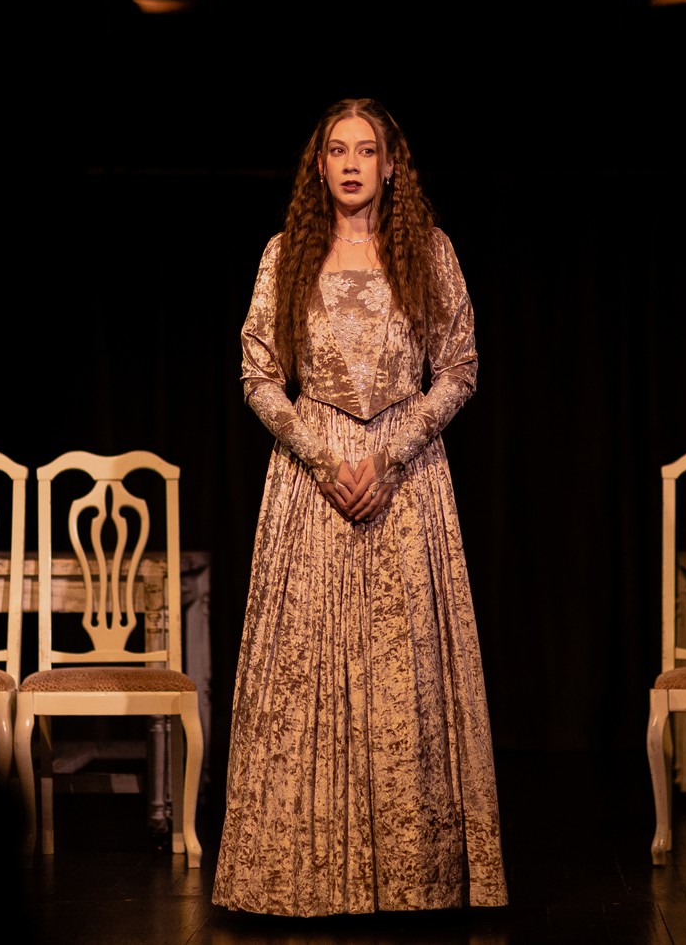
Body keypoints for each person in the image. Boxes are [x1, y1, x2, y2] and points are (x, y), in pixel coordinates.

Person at [213, 99, 506, 916]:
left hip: (405, 485)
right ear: (319, 167)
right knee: (305, 679)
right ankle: (301, 879)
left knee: (405, 679)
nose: (351, 163)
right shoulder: (286, 255)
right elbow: (258, 373)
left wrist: (389, 452)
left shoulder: (429, 252)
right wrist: (322, 454)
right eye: (337, 150)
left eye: (365, 150)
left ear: (389, 164)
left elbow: (459, 366)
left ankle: (413, 879)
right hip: (313, 487)